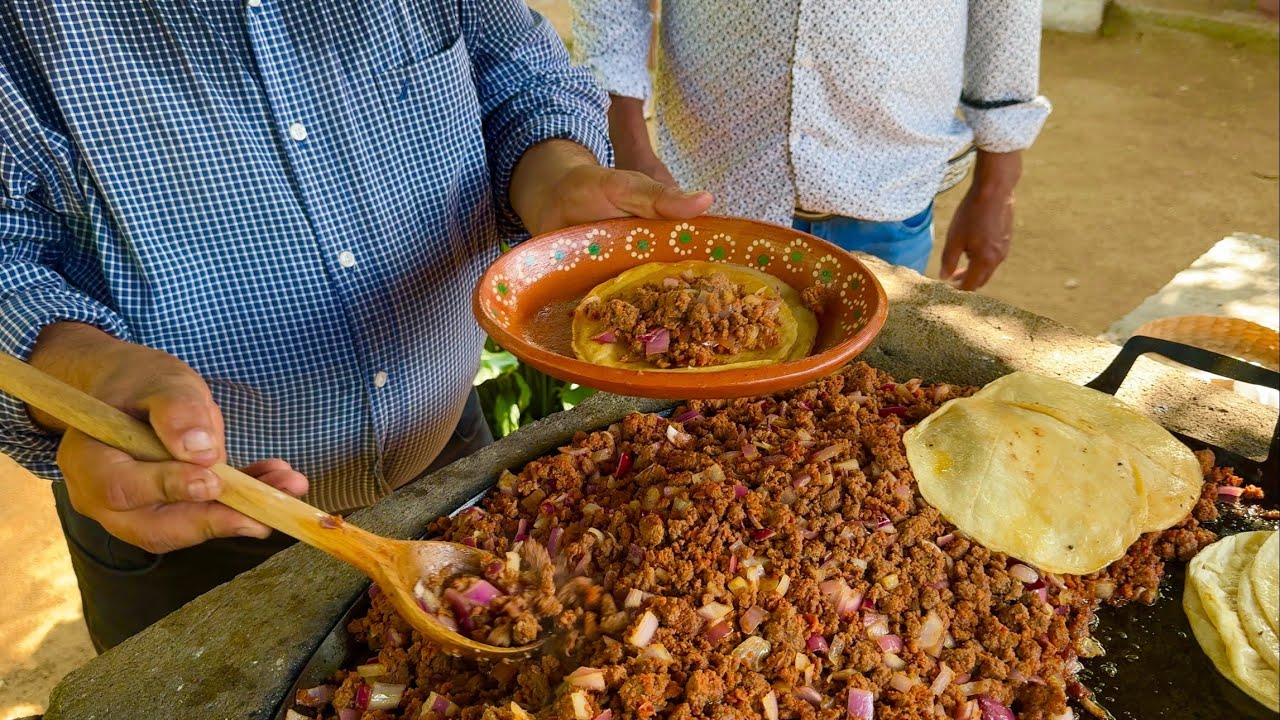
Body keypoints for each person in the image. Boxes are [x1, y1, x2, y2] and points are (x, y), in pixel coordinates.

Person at [0, 0, 711, 652]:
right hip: (184, 517)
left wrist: (558, 178)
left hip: (446, 453)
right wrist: (73, 362)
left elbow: (515, 75)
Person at [569, 0, 1052, 289]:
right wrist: (627, 138)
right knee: (698, 406)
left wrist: (997, 187)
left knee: (857, 407)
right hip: (709, 190)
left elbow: (1005, 10)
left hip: (886, 193)